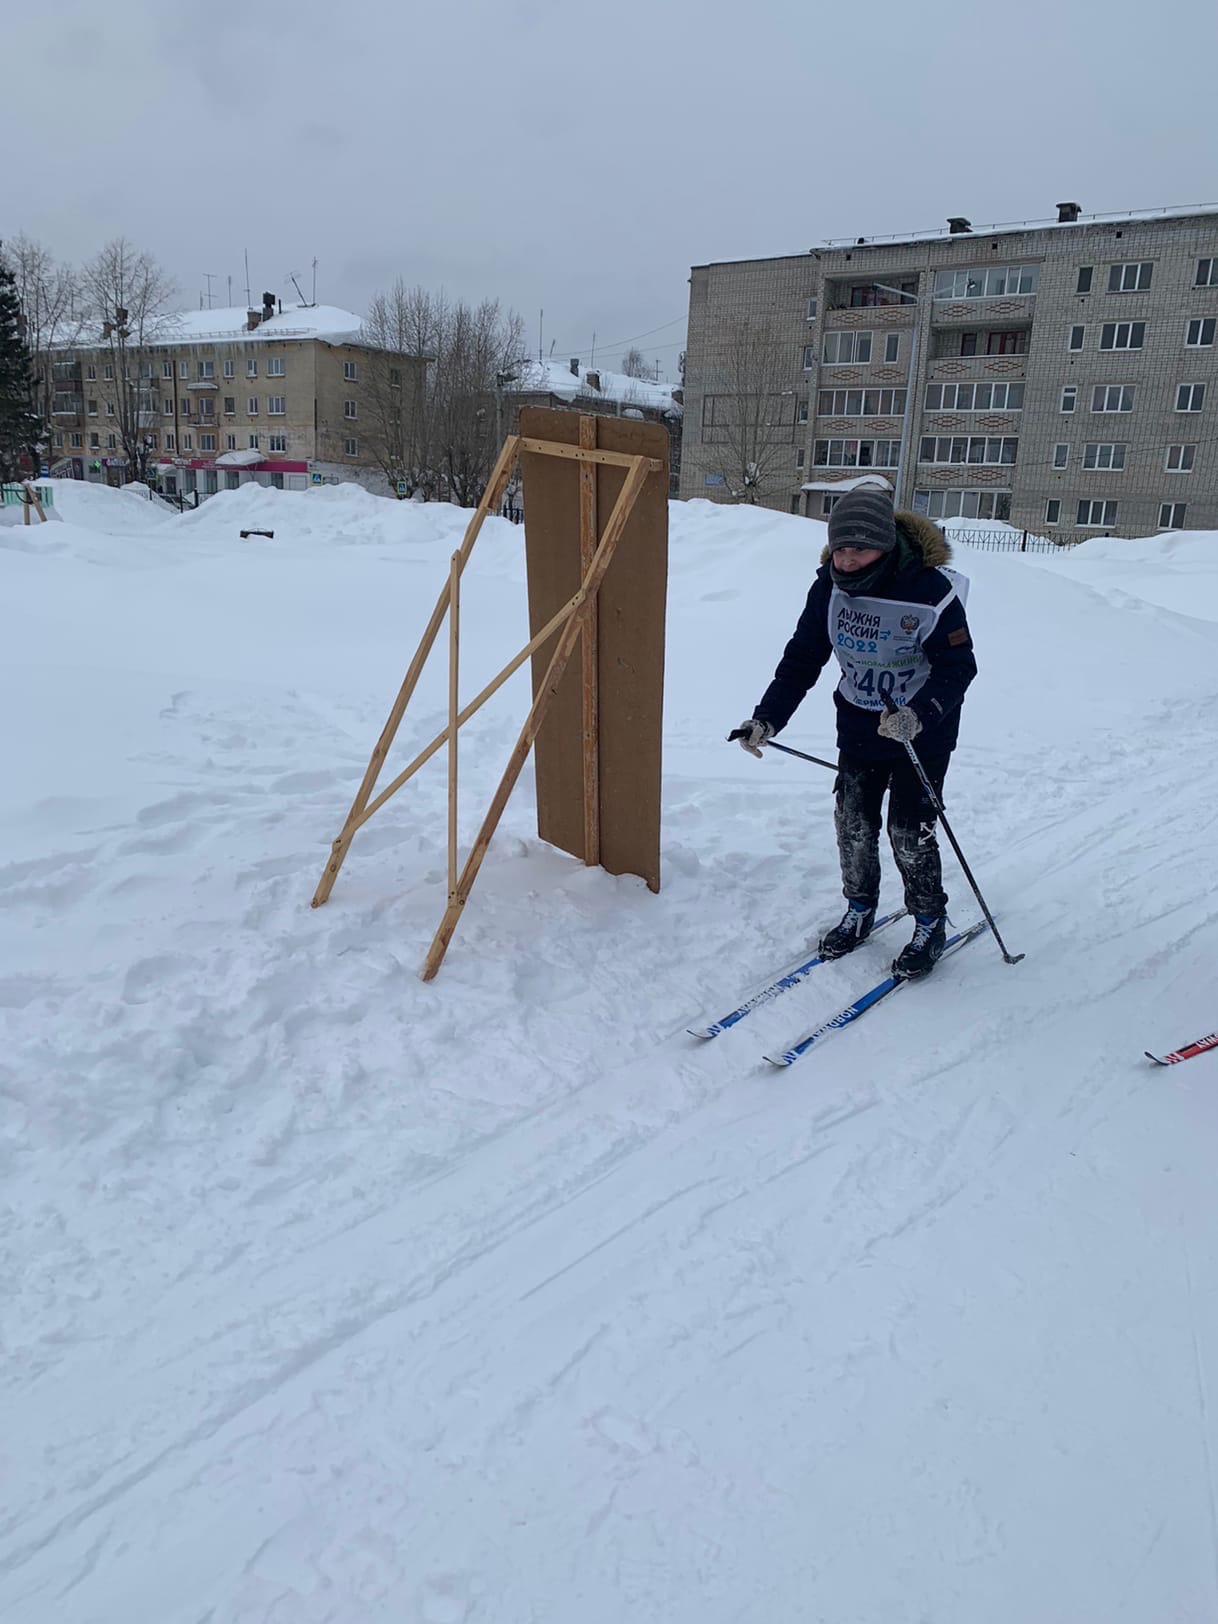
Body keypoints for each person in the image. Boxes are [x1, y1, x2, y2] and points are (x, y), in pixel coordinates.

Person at [734, 484, 977, 979]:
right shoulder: (828, 586)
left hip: (920, 734)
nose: (847, 559)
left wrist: (918, 714)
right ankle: (860, 907)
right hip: (860, 725)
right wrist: (767, 719)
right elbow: (803, 658)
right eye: (840, 548)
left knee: (909, 831)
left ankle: (930, 919)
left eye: (859, 548)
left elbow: (959, 667)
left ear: (885, 545)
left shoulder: (931, 591)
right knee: (854, 825)